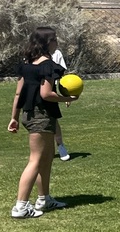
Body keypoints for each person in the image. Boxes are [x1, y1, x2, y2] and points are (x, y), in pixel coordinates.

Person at [7, 27, 77, 218]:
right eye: (54, 39)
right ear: (47, 42)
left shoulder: (27, 64)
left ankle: (44, 198)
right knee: (36, 160)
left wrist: (14, 117)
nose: (57, 42)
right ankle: (20, 207)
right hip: (41, 116)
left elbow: (18, 93)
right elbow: (46, 94)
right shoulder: (48, 65)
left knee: (46, 158)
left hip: (29, 115)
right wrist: (68, 98)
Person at [50, 43, 72, 161]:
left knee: (53, 120)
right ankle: (45, 149)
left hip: (50, 91)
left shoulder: (56, 54)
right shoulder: (30, 55)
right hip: (34, 92)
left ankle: (60, 145)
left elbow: (61, 78)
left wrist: (66, 95)